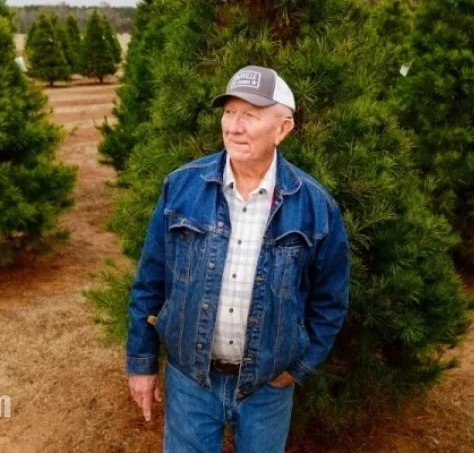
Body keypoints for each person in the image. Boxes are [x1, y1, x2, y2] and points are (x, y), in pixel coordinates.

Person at [126, 65, 350, 452]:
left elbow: (330, 301)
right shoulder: (181, 187)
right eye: (229, 112)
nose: (234, 126)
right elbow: (149, 280)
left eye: (250, 114)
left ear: (283, 128)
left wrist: (297, 369)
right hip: (191, 382)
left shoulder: (315, 206)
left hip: (267, 388)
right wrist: (141, 363)